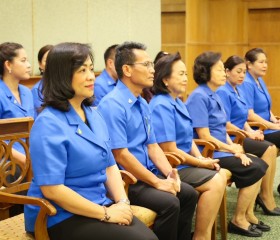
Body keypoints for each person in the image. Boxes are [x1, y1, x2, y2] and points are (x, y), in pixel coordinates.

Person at [24, 42, 157, 240]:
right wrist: (105, 213)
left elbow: (111, 165)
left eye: (91, 69)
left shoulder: (93, 114)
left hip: (97, 203)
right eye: (82, 70)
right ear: (61, 76)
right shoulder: (48, 124)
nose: (90, 76)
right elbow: (52, 189)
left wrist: (122, 202)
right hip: (57, 215)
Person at [98, 41, 198, 240]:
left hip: (148, 173)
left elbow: (153, 146)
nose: (153, 70)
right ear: (127, 69)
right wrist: (158, 183)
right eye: (146, 65)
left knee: (188, 194)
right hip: (128, 181)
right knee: (170, 203)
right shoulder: (112, 104)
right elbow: (121, 155)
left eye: (152, 65)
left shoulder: (142, 102)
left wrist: (169, 174)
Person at [185, 51, 268, 237]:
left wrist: (236, 148)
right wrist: (231, 149)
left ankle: (245, 216)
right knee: (254, 167)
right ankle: (238, 219)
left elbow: (222, 129)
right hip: (208, 152)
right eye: (220, 70)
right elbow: (204, 136)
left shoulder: (214, 95)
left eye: (224, 70)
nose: (224, 73)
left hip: (221, 148)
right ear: (206, 72)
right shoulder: (199, 96)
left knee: (259, 163)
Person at [149, 52, 227, 239]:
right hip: (172, 166)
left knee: (220, 174)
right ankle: (201, 236)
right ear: (166, 80)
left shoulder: (178, 101)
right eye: (181, 74)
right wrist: (201, 163)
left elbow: (188, 139)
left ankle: (203, 234)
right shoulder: (161, 105)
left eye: (186, 74)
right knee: (216, 180)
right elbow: (169, 150)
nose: (185, 79)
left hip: (185, 162)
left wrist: (200, 158)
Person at [217, 55, 279, 217]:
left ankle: (263, 199)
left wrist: (250, 131)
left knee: (270, 149)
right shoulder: (223, 91)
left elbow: (243, 117)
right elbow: (227, 123)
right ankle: (263, 198)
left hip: (242, 134)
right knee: (269, 148)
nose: (242, 76)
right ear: (227, 72)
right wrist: (247, 133)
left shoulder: (238, 89)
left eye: (244, 72)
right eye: (238, 72)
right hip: (234, 136)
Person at [239, 48, 280, 148]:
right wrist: (274, 126)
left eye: (266, 62)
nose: (265, 65)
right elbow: (250, 115)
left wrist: (274, 120)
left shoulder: (259, 79)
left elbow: (265, 107)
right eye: (261, 62)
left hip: (269, 126)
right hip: (258, 129)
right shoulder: (246, 83)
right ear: (249, 64)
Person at [0, 42, 33, 164]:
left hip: (30, 155)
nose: (29, 65)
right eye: (23, 61)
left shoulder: (27, 92)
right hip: (8, 163)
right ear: (8, 65)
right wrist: (26, 162)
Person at [31, 44, 53, 116]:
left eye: (53, 60)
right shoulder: (37, 90)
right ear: (40, 64)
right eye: (46, 60)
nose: (50, 64)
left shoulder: (67, 84)